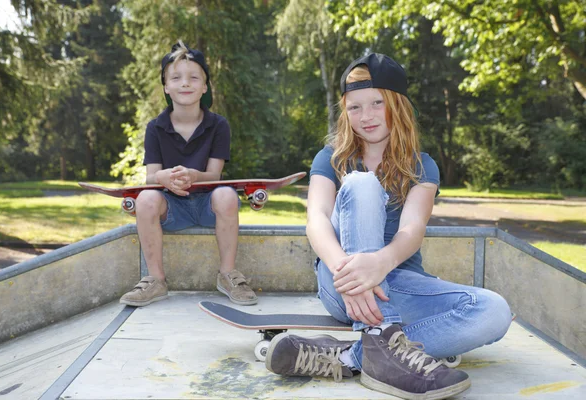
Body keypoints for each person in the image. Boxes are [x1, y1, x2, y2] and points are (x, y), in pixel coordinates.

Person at [264, 53, 512, 399]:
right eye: (354, 107)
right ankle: (379, 334)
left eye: (376, 103)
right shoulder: (332, 157)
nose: (365, 116)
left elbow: (412, 230)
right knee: (363, 184)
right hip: (341, 284)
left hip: (396, 282)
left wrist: (380, 263)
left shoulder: (422, 166)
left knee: (495, 311)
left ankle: (355, 355)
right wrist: (349, 275)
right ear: (344, 112)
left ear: (397, 104)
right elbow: (316, 220)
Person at [119, 41, 257, 307]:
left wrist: (195, 175)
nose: (185, 83)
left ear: (204, 87)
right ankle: (155, 280)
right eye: (176, 78)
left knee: (227, 195)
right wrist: (163, 178)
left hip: (207, 205)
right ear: (166, 87)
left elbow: (215, 175)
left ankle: (227, 274)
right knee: (146, 199)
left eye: (194, 77)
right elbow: (151, 176)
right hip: (172, 208)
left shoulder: (218, 125)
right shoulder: (155, 128)